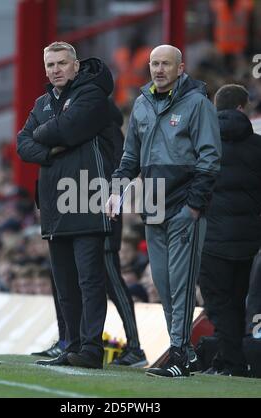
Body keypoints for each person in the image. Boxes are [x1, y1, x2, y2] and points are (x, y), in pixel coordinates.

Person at [106, 44, 221, 377]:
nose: (158, 69)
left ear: (180, 67)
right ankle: (184, 351)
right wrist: (115, 192)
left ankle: (180, 357)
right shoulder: (141, 104)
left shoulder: (198, 104)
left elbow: (210, 158)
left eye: (165, 64)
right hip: (152, 205)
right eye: (154, 63)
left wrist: (194, 206)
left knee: (182, 284)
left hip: (184, 207)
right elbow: (130, 159)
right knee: (165, 284)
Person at [17, 41, 114, 369]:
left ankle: (91, 349)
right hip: (55, 205)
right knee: (65, 282)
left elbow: (68, 129)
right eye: (50, 65)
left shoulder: (92, 96)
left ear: (75, 65)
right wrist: (49, 151)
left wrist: (42, 136)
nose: (55, 69)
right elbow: (22, 144)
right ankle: (70, 344)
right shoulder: (42, 102)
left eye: (61, 63)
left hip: (87, 197)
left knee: (89, 279)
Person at [32, 99, 147, 367]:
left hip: (101, 209)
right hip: (72, 211)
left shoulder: (104, 128)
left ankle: (135, 346)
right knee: (65, 278)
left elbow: (119, 168)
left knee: (109, 276)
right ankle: (66, 340)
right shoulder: (82, 126)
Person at [199, 84, 261, 377]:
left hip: (212, 238)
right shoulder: (258, 146)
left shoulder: (202, 143)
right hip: (249, 239)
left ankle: (232, 362)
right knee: (237, 300)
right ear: (241, 108)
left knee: (217, 302)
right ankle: (228, 360)